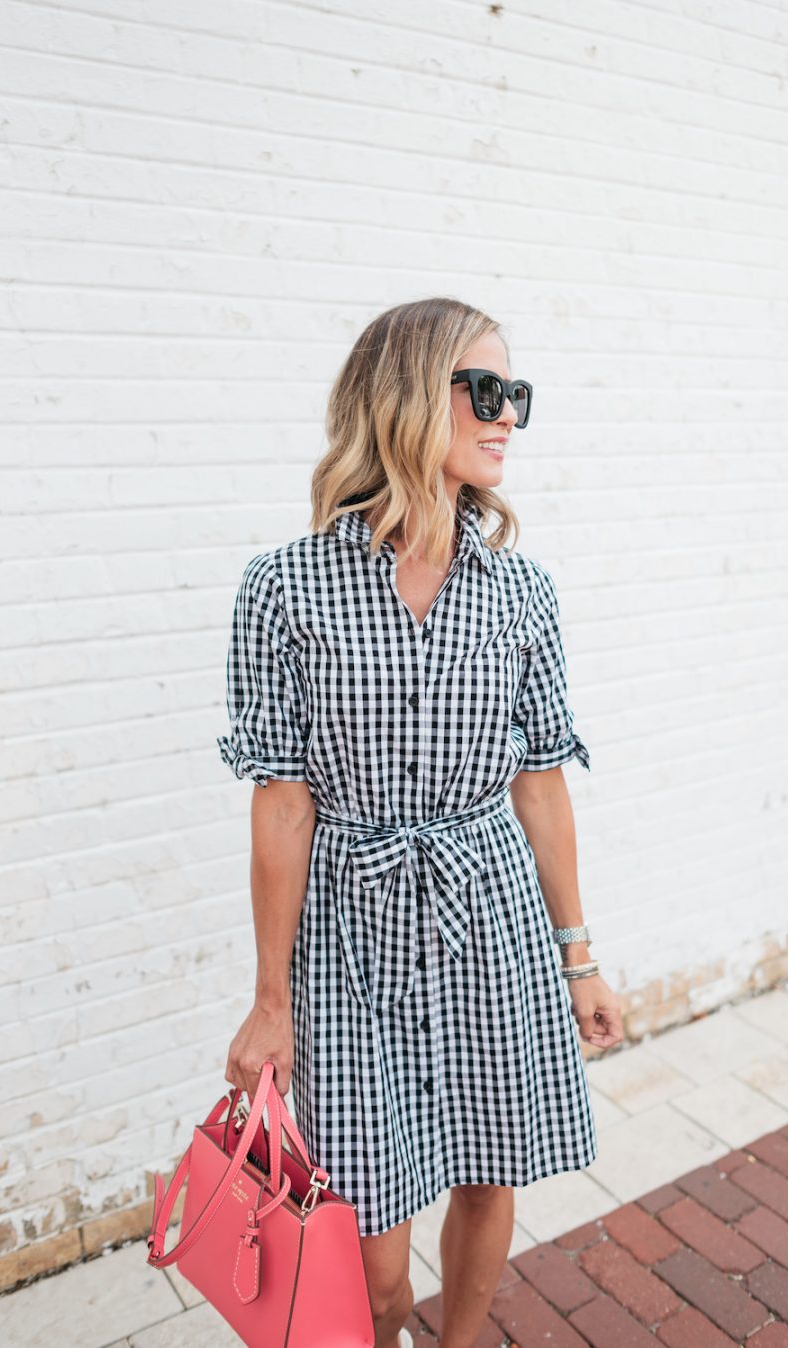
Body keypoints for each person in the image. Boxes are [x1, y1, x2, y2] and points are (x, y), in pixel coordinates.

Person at [217, 296, 623, 1348]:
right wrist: (271, 998)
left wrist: (580, 958)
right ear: (406, 398)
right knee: (374, 1256)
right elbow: (283, 800)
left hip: (491, 911)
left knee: (492, 1169)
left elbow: (540, 782)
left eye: (517, 397)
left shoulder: (522, 591)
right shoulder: (285, 588)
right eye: (485, 392)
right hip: (351, 934)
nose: (508, 418)